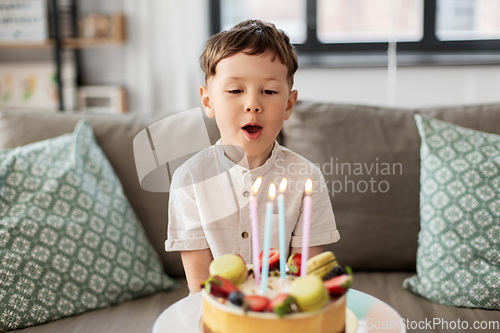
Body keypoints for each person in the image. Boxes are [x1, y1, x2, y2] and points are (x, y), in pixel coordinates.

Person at [165, 19, 339, 294]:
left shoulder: (306, 178)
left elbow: (306, 282)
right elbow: (199, 288)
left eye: (269, 91)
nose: (252, 105)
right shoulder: (189, 180)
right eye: (235, 91)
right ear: (208, 100)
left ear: (288, 105)